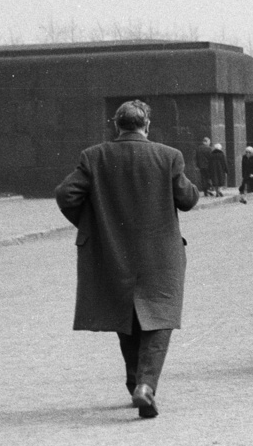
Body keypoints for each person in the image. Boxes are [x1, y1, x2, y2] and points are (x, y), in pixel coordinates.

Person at [55, 99, 199, 419]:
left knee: (127, 316)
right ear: (146, 125)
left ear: (116, 125)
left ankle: (135, 379)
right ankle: (146, 386)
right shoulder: (168, 156)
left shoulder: (94, 157)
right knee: (160, 318)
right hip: (161, 254)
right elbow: (188, 200)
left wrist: (93, 224)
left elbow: (66, 195)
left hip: (114, 251)